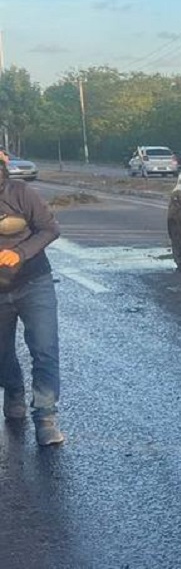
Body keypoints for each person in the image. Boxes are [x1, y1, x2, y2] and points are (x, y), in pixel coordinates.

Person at [0, 150, 65, 446]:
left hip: (34, 282)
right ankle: (14, 392)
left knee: (44, 349)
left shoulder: (22, 193)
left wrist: (20, 253)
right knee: (2, 354)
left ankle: (46, 417)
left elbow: (50, 229)